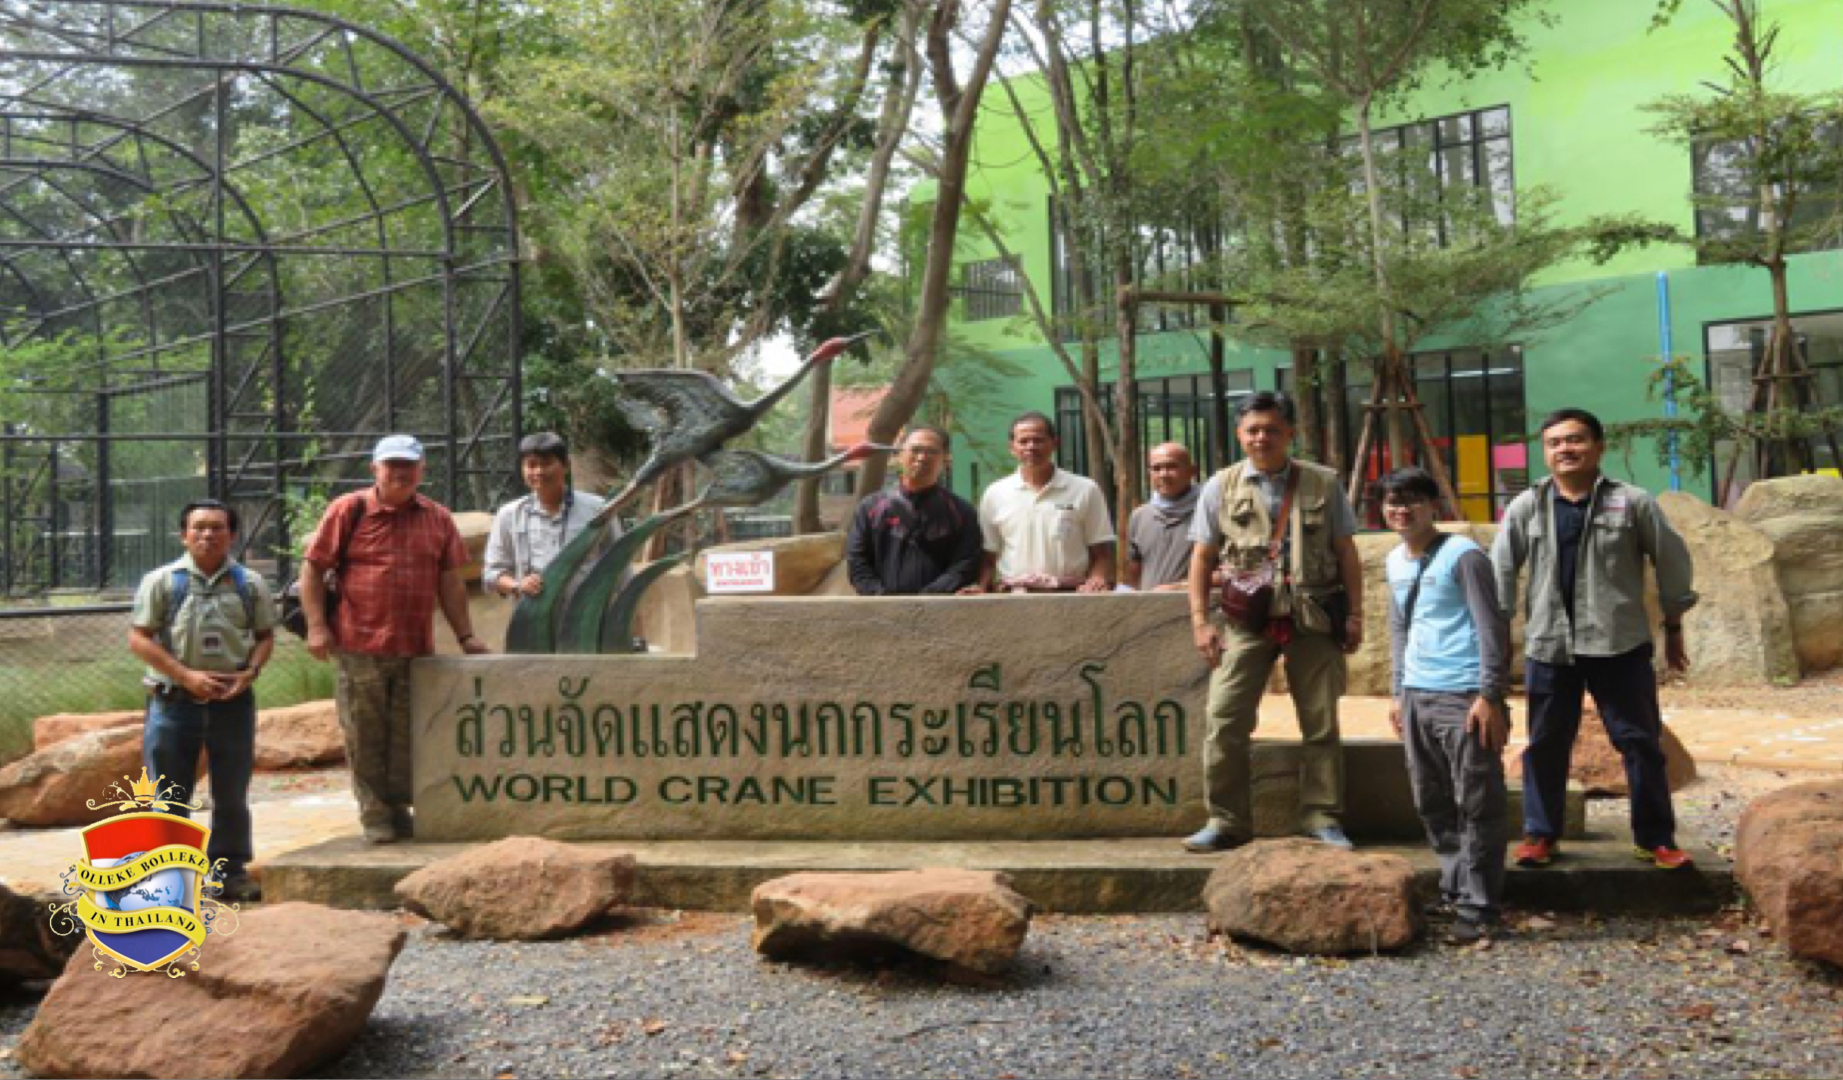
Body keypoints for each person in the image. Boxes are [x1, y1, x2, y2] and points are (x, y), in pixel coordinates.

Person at [1491, 407, 1698, 871]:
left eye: (1576, 440)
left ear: (1598, 447)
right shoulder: (1528, 505)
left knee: (1640, 741)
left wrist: (1674, 623)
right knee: (1545, 742)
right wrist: (1500, 635)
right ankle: (1540, 834)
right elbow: (1501, 568)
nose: (1565, 449)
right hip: (1550, 646)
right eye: (1555, 443)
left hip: (1618, 644)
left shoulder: (1632, 502)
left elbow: (1671, 560)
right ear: (1545, 452)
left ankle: (1656, 838)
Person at [1184, 391, 1365, 852]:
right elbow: (1202, 557)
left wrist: (1357, 613)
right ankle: (1226, 821)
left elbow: (1347, 550)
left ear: (1290, 433)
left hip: (1314, 613)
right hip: (1246, 621)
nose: (1261, 437)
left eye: (1271, 429)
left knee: (1320, 721)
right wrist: (1201, 621)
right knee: (1224, 719)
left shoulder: (1323, 482)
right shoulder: (1220, 486)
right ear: (1240, 436)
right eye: (1252, 430)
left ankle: (1321, 815)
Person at [301, 434, 491, 843]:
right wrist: (317, 626)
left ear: (422, 470)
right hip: (359, 645)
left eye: (409, 466)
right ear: (375, 469)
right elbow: (314, 568)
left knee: (407, 734)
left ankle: (400, 807)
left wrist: (466, 635)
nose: (400, 473)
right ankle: (374, 815)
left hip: (414, 647)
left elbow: (449, 580)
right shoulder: (348, 511)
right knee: (364, 733)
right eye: (392, 466)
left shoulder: (438, 518)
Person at [1381, 467, 1511, 944]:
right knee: (1430, 797)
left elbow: (1491, 627)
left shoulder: (1464, 556)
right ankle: (1456, 886)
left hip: (1463, 694)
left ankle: (1481, 905)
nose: (1401, 509)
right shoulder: (1395, 560)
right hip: (1417, 693)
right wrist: (1398, 692)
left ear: (1433, 506)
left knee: (1477, 799)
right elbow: (1400, 628)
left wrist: (1489, 695)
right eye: (1392, 501)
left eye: (1412, 500)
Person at [127, 499, 276, 901]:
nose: (207, 535)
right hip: (174, 702)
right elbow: (138, 637)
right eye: (199, 528)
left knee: (231, 792)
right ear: (184, 535)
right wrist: (186, 677)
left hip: (232, 704)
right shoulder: (163, 581)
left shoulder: (249, 584)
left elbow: (265, 637)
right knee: (169, 793)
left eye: (217, 528)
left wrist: (250, 673)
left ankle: (229, 872)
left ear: (232, 535)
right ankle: (171, 881)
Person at [971, 412, 1115, 593]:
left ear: (1055, 443)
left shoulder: (1085, 489)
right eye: (1023, 441)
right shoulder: (996, 493)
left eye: (1038, 440)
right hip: (1014, 597)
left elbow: (1102, 551)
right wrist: (980, 588)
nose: (1031, 447)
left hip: (1071, 595)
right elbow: (988, 556)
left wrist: (1097, 579)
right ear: (1012, 447)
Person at [846, 425, 983, 595]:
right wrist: (880, 596)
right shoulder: (871, 508)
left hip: (941, 610)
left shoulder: (961, 511)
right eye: (915, 450)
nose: (922, 457)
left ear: (946, 460)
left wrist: (929, 597)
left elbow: (966, 563)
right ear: (899, 456)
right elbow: (857, 561)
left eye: (931, 451)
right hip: (882, 610)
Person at [483, 431, 619, 600]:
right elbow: (491, 574)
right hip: (532, 620)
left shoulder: (598, 509)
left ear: (566, 465)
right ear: (522, 469)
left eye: (547, 463)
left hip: (587, 620)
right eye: (531, 465)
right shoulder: (508, 515)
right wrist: (518, 586)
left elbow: (619, 564)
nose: (539, 471)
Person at [1124, 442, 1201, 591]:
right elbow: (1134, 573)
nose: (1163, 474)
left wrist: (1179, 587)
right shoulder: (1139, 516)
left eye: (1172, 467)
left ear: (1193, 471)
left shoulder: (1209, 512)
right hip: (1150, 609)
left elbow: (1229, 572)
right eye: (1156, 468)